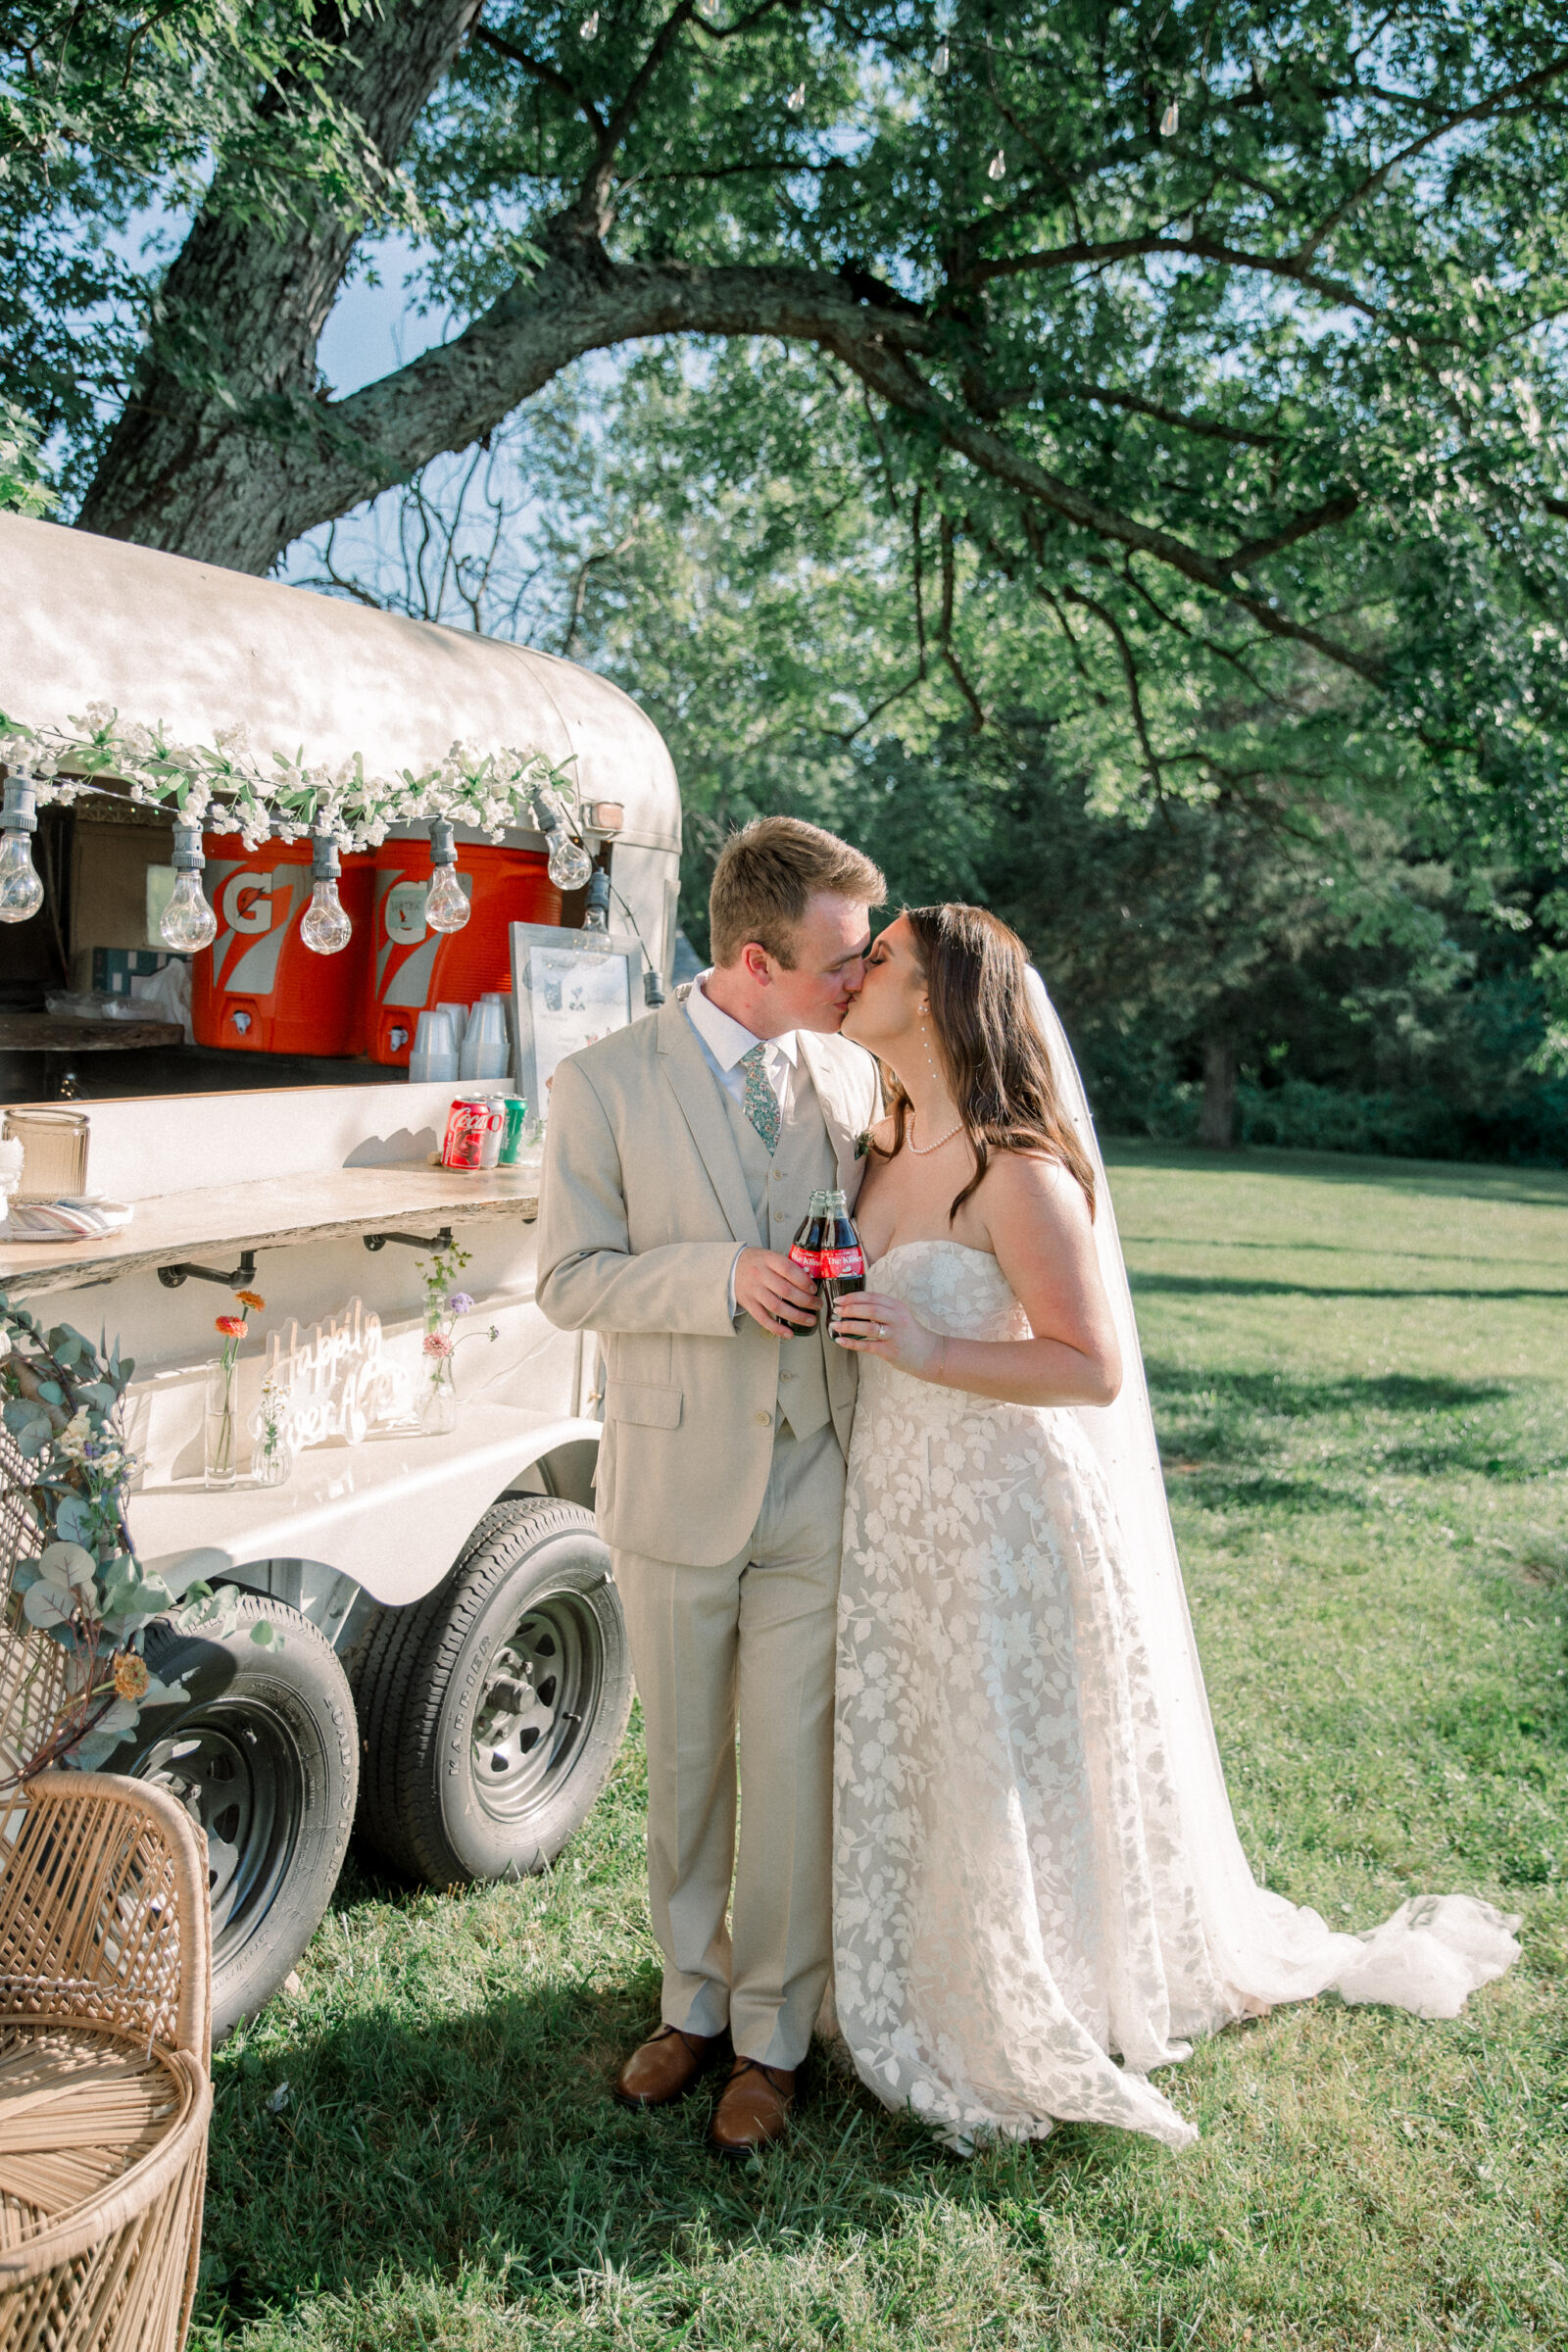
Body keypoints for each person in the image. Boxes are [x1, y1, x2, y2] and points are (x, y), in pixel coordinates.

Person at [829, 903, 1521, 2149]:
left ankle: (1045, 1984)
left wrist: (929, 1343)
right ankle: (912, 1951)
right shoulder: (877, 1145)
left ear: (937, 996)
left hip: (1003, 1509)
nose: (855, 967)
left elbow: (1090, 1367)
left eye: (879, 957)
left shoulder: (1015, 1166)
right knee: (920, 1733)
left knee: (1006, 1753)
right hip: (896, 1501)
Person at [535, 816, 884, 2156]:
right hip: (676, 1475)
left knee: (791, 1766)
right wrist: (716, 1281)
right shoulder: (603, 1083)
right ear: (756, 957)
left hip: (814, 1471)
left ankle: (775, 2036)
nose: (860, 983)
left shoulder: (851, 1079)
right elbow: (570, 1282)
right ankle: (690, 2002)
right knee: (684, 1764)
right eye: (841, 961)